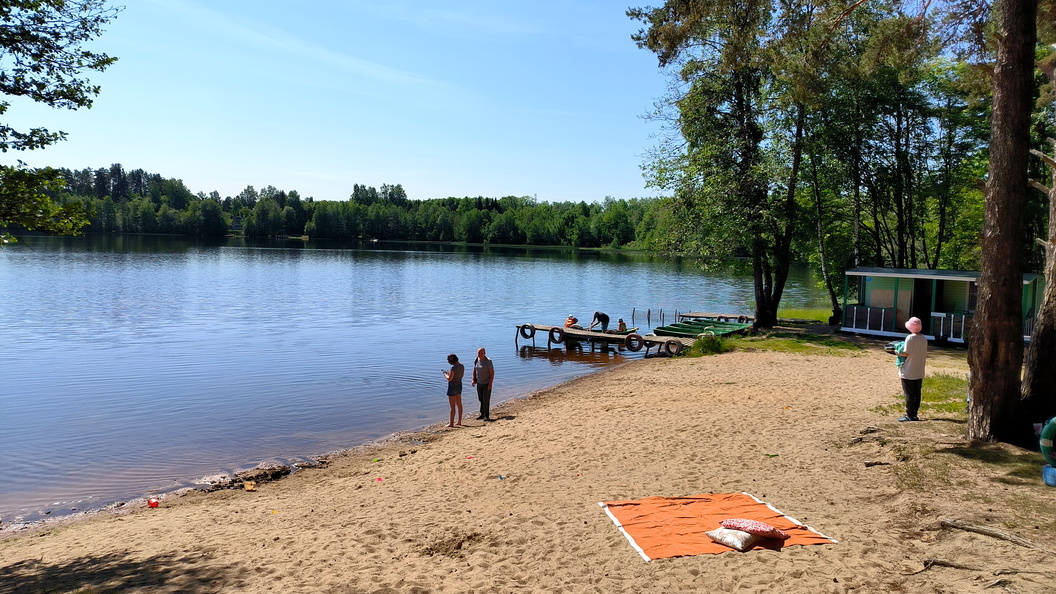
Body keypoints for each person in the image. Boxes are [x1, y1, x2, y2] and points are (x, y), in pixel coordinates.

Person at [894, 317, 927, 422]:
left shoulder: (910, 338)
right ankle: (914, 414)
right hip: (919, 370)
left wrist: (896, 352)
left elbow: (906, 353)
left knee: (909, 393)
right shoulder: (924, 338)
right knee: (917, 393)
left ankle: (909, 415)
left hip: (909, 370)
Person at [472, 347, 495, 421]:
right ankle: (482, 414)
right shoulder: (476, 360)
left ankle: (486, 415)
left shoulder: (488, 361)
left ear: (485, 353)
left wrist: (490, 383)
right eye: (479, 353)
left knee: (486, 399)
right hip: (479, 383)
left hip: (486, 383)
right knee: (481, 399)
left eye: (482, 353)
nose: (480, 354)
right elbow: (475, 370)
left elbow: (492, 373)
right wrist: (473, 379)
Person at [442, 354, 464, 428]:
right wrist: (450, 373)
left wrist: (445, 374)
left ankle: (451, 423)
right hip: (459, 385)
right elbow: (462, 375)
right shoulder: (461, 366)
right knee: (459, 404)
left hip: (452, 387)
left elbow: (449, 379)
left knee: (452, 406)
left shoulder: (453, 368)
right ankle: (459, 421)